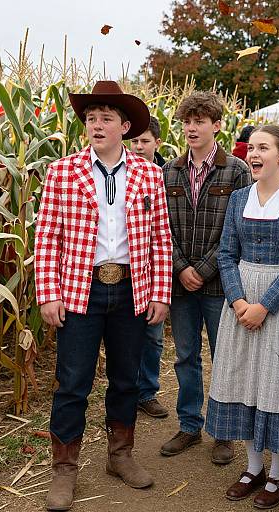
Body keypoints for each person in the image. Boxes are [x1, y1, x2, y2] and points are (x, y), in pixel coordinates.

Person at [34, 81, 173, 511]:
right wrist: (48, 293)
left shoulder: (149, 173)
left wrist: (161, 293)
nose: (96, 124)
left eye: (106, 118)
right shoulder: (63, 171)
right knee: (73, 382)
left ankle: (120, 456)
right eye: (91, 118)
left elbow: (160, 239)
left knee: (126, 378)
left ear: (125, 126)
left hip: (133, 286)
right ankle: (64, 470)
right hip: (80, 289)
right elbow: (46, 238)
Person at [205, 125, 279, 509]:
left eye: (263, 148)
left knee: (276, 383)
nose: (253, 153)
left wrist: (264, 305)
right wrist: (238, 302)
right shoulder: (238, 198)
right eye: (251, 147)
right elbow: (225, 255)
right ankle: (253, 467)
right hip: (239, 299)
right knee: (244, 381)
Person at [161, 91, 252, 463]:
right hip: (180, 282)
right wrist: (181, 266)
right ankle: (188, 425)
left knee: (223, 355)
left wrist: (204, 268)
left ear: (217, 126)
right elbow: (160, 227)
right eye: (187, 121)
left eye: (199, 121)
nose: (191, 128)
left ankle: (223, 431)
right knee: (185, 356)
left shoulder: (237, 171)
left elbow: (240, 227)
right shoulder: (170, 170)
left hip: (219, 284)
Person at [130, 116, 169, 418]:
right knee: (125, 339)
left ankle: (147, 391)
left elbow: (165, 233)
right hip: (124, 274)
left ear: (157, 142)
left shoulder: (165, 174)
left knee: (153, 338)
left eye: (145, 141)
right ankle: (126, 391)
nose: (139, 146)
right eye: (135, 141)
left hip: (153, 271)